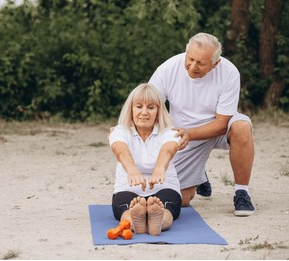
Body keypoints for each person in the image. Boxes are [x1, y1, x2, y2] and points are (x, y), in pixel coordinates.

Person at [148, 32, 255, 216]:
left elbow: (222, 123)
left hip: (217, 128)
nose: (192, 66)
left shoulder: (229, 72)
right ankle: (200, 175)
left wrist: (190, 133)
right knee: (180, 200)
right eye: (190, 59)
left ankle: (241, 192)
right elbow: (148, 103)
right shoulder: (168, 69)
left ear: (215, 63)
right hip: (183, 135)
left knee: (242, 126)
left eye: (201, 63)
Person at [109, 83, 181, 236]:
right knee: (126, 210)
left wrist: (160, 169)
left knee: (166, 209)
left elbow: (168, 150)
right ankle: (137, 220)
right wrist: (132, 171)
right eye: (139, 106)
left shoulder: (169, 131)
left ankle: (157, 221)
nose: (144, 112)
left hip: (164, 187)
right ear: (131, 109)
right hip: (128, 188)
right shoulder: (120, 131)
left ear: (158, 111)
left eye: (151, 107)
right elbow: (120, 150)